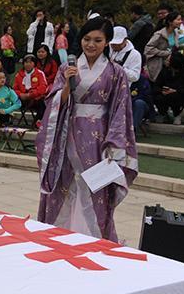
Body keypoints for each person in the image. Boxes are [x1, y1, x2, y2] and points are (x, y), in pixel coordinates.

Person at [36, 16, 136, 242]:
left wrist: (114, 145)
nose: (91, 44)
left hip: (99, 137)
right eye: (87, 39)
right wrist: (65, 89)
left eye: (98, 40)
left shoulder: (116, 72)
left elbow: (121, 110)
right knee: (65, 182)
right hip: (67, 133)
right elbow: (53, 102)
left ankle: (92, 237)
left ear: (107, 42)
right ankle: (57, 235)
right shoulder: (67, 68)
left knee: (94, 187)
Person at [145, 11, 184, 82]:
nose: (181, 22)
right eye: (178, 20)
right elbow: (148, 49)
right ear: (170, 22)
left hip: (170, 66)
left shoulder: (176, 32)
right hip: (158, 66)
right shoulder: (159, 35)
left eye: (181, 19)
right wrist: (165, 53)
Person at [154, 53, 184, 124]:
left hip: (180, 94)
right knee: (157, 97)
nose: (166, 61)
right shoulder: (164, 71)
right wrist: (161, 91)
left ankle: (177, 114)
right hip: (165, 93)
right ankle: (163, 113)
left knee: (175, 96)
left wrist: (176, 91)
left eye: (168, 60)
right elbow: (156, 85)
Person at [13, 54, 49, 123]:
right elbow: (15, 89)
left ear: (34, 64)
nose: (28, 64)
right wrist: (20, 94)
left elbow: (43, 88)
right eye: (26, 62)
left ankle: (37, 122)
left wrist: (31, 95)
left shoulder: (40, 73)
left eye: (30, 62)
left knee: (42, 104)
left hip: (35, 98)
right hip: (22, 99)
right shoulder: (18, 75)